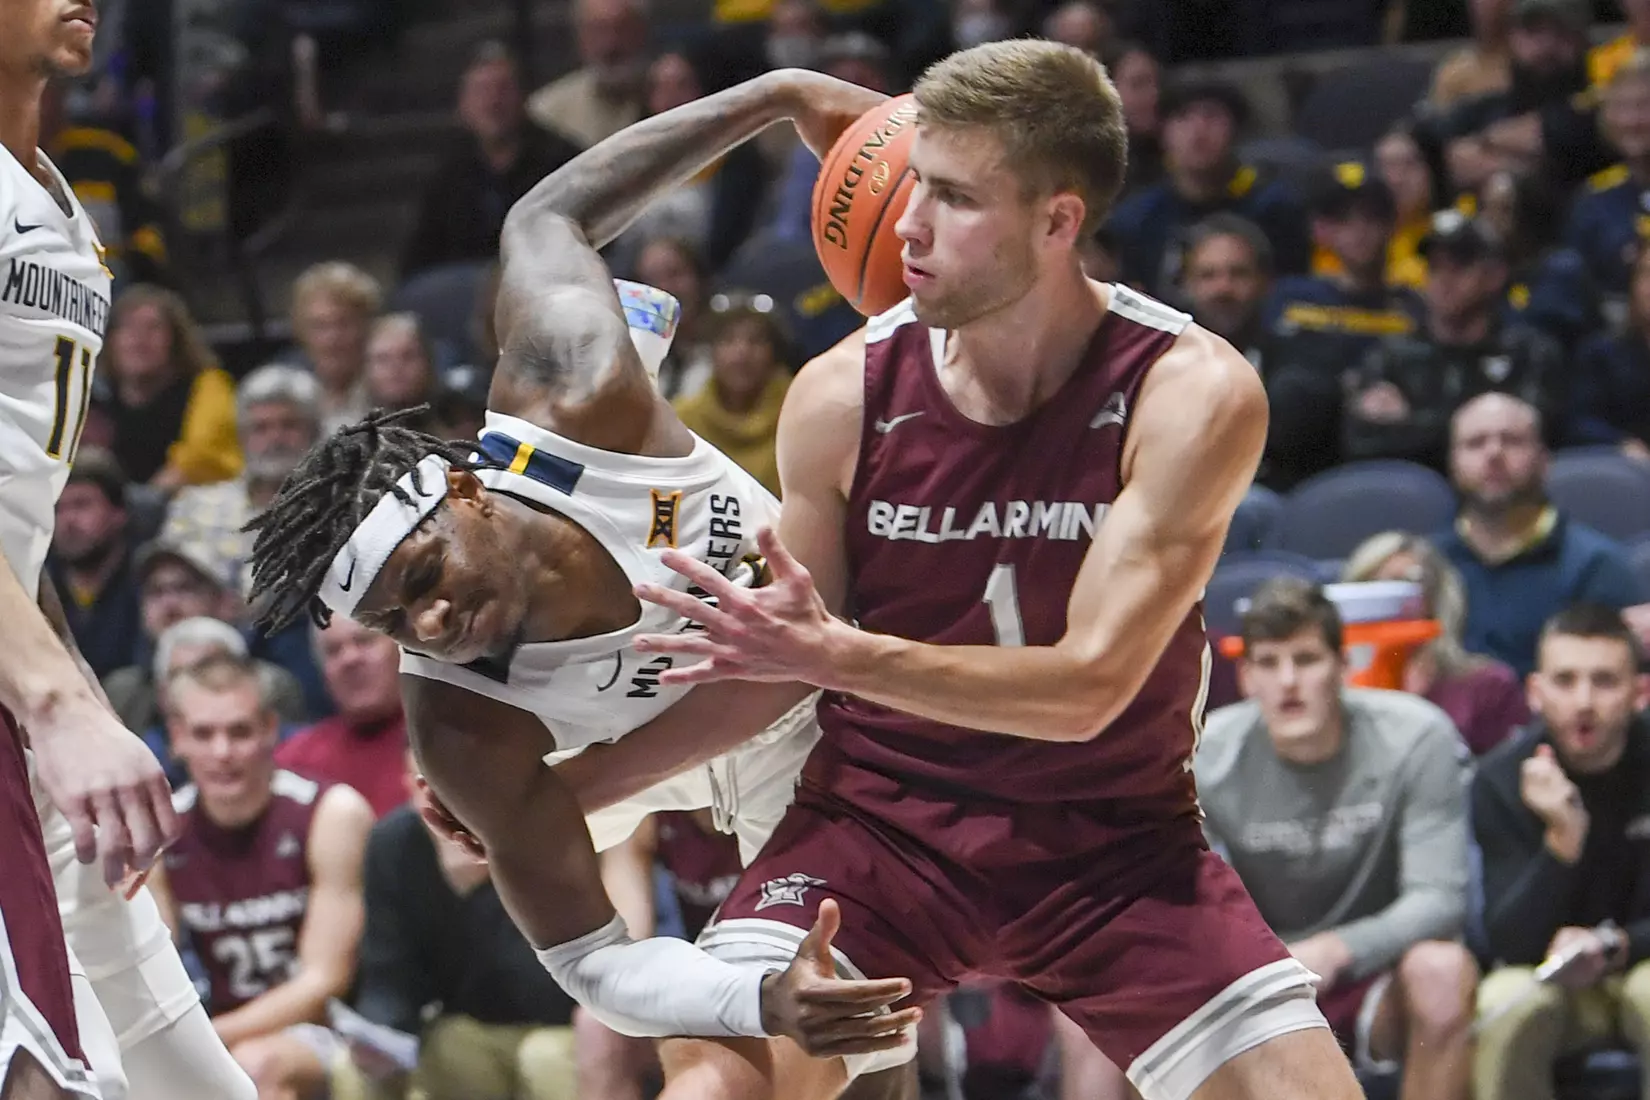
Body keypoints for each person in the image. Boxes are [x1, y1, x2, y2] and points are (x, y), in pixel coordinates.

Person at [554, 39, 1365, 1100]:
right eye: (912, 184)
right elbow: (779, 666)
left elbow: (1087, 688)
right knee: (716, 1080)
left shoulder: (1190, 390)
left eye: (952, 196)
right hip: (876, 833)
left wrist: (835, 653)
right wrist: (554, 789)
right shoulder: (843, 392)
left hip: (1113, 846)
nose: (908, 226)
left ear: (1058, 220)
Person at [242, 61, 925, 1094]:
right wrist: (747, 998)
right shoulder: (461, 725)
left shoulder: (579, 388)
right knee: (733, 1056)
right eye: (395, 621)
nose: (430, 617)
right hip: (631, 747)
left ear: (464, 488)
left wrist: (779, 95)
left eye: (425, 572)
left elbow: (547, 211)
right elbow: (593, 958)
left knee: (834, 1047)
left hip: (804, 690)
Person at [0, 3, 212, 1098]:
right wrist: (59, 706)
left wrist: (74, 687)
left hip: (19, 667)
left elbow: (15, 512)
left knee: (189, 1070)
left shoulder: (54, 194)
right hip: (19, 692)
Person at [145, 652, 372, 1100]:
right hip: (218, 1027)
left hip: (330, 1029)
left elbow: (323, 981)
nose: (222, 752)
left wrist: (206, 1040)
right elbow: (154, 964)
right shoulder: (163, 830)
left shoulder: (331, 813)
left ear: (270, 729)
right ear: (176, 739)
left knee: (256, 1067)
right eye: (204, 734)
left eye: (240, 731)